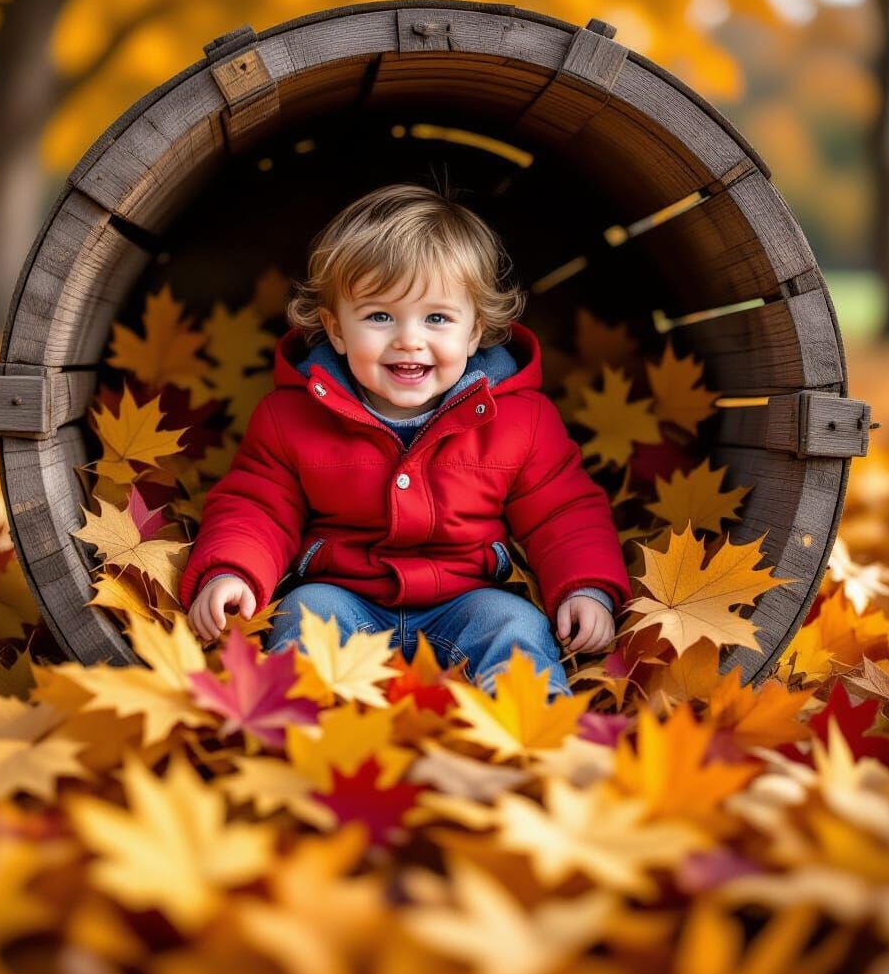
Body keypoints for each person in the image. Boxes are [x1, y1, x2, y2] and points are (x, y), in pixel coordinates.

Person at [179, 182, 630, 697]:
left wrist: (586, 587)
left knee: (516, 626)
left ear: (475, 331)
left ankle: (533, 744)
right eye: (379, 316)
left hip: (468, 597)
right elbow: (258, 504)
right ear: (337, 329)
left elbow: (563, 511)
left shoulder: (519, 419)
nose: (409, 338)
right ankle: (303, 742)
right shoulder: (290, 416)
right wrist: (233, 571)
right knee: (305, 615)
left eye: (437, 317)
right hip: (345, 593)